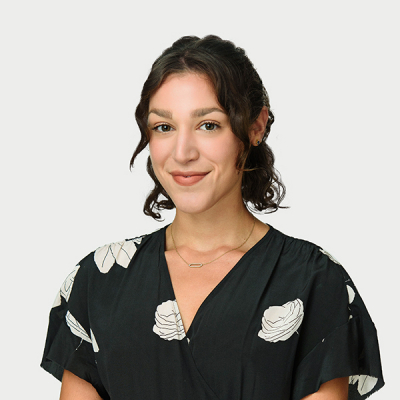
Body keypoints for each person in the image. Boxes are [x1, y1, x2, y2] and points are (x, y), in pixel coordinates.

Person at [41, 35, 384, 400]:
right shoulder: (98, 280)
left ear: (255, 126)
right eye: (164, 127)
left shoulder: (312, 281)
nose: (182, 153)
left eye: (208, 125)